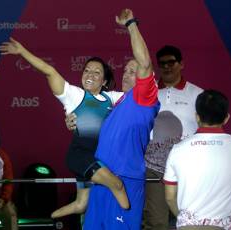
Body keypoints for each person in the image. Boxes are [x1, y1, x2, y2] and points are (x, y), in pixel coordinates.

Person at [0, 37, 130, 219]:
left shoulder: (111, 98)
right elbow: (49, 72)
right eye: (86, 70)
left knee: (82, 204)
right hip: (80, 156)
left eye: (96, 72)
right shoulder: (74, 95)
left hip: (97, 157)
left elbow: (138, 95)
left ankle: (55, 214)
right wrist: (22, 52)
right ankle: (128, 212)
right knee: (117, 185)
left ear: (105, 81)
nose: (90, 75)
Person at [83, 8, 160, 229]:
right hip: (102, 182)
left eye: (132, 71)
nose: (126, 73)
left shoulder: (144, 99)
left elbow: (144, 63)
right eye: (125, 70)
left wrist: (131, 24)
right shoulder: (117, 104)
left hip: (125, 182)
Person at [142, 45, 204, 230]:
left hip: (188, 167)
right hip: (154, 167)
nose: (167, 67)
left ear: (181, 64)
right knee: (156, 223)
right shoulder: (148, 93)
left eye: (171, 62)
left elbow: (206, 128)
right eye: (162, 64)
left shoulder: (197, 94)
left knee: (190, 221)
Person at [163, 89, 231, 230]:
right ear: (226, 118)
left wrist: (185, 219)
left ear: (197, 117)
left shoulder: (177, 150)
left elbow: (169, 197)